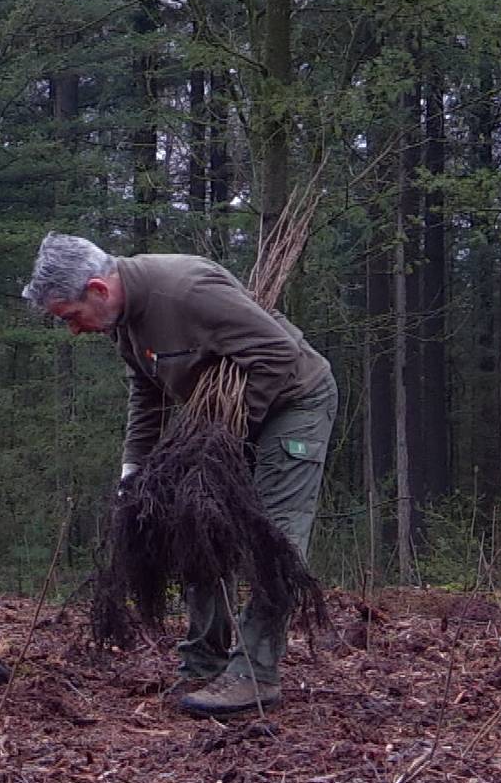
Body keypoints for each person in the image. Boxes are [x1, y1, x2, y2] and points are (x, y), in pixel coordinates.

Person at [23, 232, 337, 717]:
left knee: (275, 539)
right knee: (196, 521)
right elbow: (147, 395)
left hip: (293, 401)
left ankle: (255, 675)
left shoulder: (185, 290)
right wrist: (133, 470)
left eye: (70, 316)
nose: (73, 330)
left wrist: (220, 440)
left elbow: (277, 355)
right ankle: (204, 662)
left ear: (98, 290)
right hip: (225, 418)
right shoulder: (123, 321)